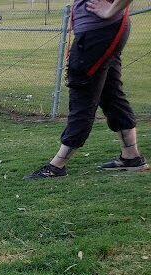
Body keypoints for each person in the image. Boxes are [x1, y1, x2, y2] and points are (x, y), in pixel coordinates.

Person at [25, 0, 146, 179]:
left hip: (97, 34)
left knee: (82, 96)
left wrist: (111, 10)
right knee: (111, 95)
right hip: (104, 32)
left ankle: (57, 165)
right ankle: (132, 157)